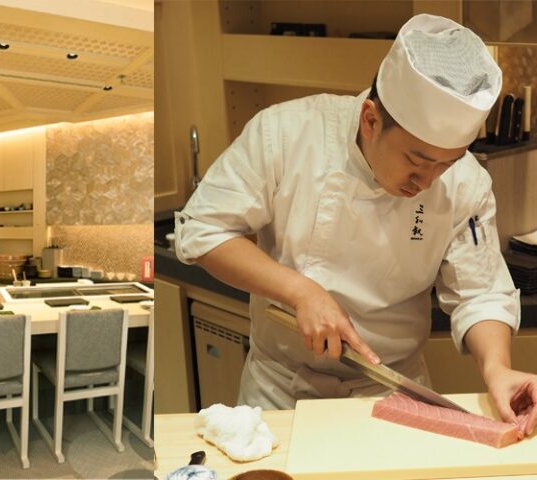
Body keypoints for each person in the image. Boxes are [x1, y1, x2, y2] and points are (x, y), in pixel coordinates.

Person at [174, 13, 536, 434]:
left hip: (392, 391)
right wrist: (300, 291)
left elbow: (481, 293)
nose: (427, 182)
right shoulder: (287, 133)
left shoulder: (466, 183)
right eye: (416, 160)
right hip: (278, 391)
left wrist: (497, 369)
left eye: (447, 163)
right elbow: (202, 231)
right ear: (370, 119)